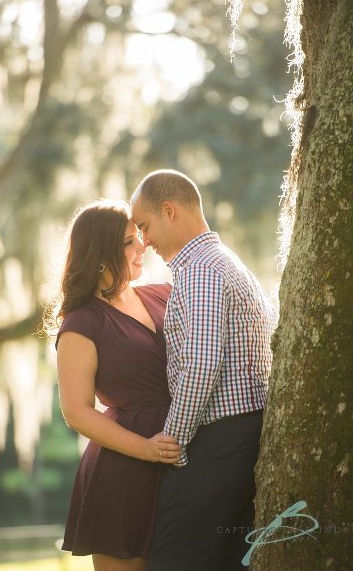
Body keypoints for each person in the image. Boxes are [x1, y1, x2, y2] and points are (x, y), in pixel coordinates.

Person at [130, 170, 275, 571]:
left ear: (169, 210)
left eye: (144, 226)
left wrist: (173, 440)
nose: (144, 240)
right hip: (241, 437)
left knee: (173, 560)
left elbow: (201, 361)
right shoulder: (223, 261)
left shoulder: (201, 271)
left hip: (217, 441)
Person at [45, 200, 181, 571]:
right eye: (129, 241)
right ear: (101, 253)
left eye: (140, 237)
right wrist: (147, 450)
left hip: (185, 455)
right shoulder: (82, 323)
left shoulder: (164, 294)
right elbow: (76, 411)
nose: (143, 247)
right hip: (126, 467)